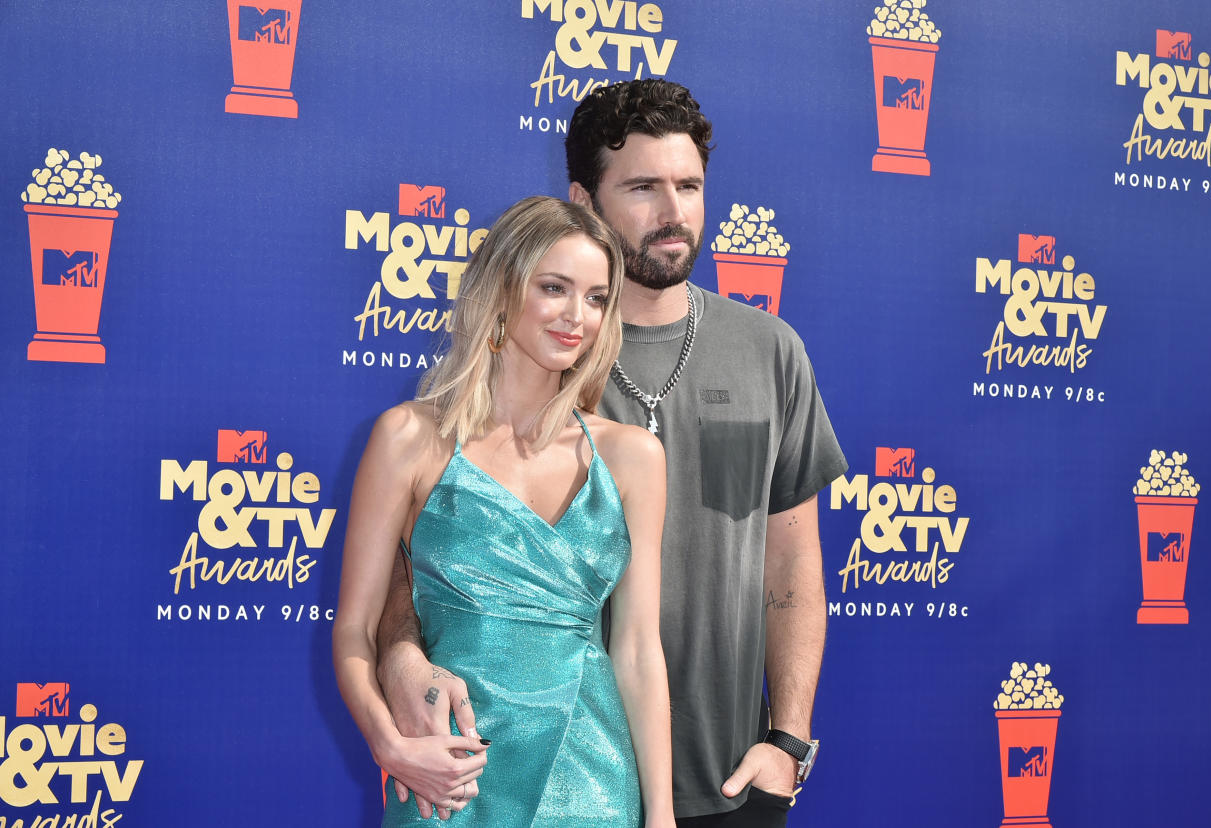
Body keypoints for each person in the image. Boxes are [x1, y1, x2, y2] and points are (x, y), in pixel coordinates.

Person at [377, 80, 847, 826]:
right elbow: (417, 558)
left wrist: (786, 739)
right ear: (584, 200)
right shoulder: (533, 368)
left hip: (729, 777)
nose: (674, 212)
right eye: (643, 187)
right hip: (542, 777)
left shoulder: (771, 353)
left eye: (689, 185)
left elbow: (793, 563)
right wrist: (401, 658)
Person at [334, 195, 676, 827]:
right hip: (447, 768)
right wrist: (390, 746)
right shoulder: (407, 439)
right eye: (555, 288)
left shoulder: (633, 457)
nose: (578, 316)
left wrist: (661, 815)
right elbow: (354, 630)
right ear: (502, 288)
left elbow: (635, 648)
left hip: (591, 776)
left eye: (598, 298)